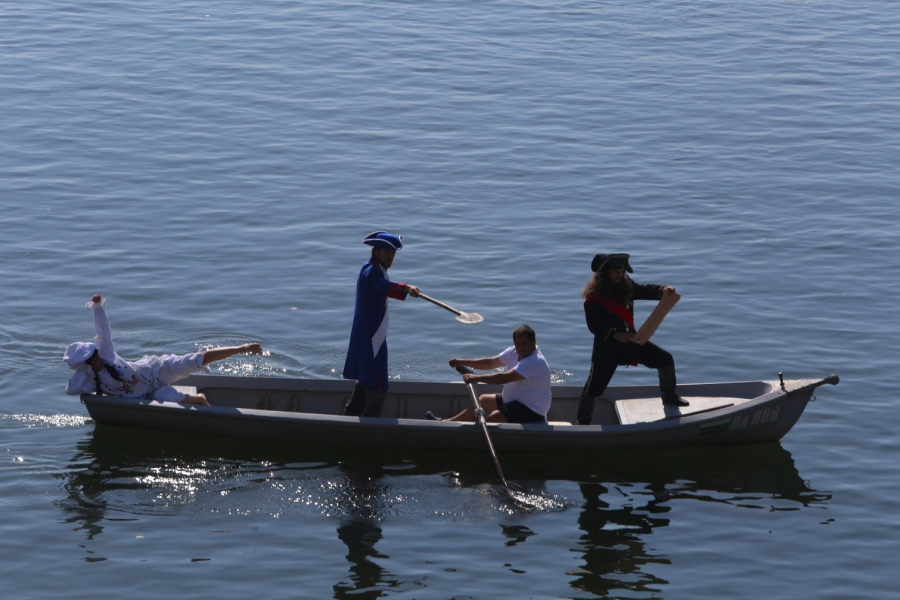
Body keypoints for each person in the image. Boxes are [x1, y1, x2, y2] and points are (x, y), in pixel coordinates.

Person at [64, 295, 263, 406]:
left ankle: (243, 348)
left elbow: (103, 330)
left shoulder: (105, 353)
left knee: (195, 360)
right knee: (176, 398)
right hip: (148, 394)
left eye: (96, 355)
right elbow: (71, 390)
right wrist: (84, 379)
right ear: (86, 366)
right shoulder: (87, 379)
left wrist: (98, 307)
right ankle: (202, 402)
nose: (98, 360)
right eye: (93, 361)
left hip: (151, 370)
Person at [577, 253, 688, 425]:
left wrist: (663, 290)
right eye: (615, 271)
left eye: (621, 271)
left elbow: (645, 290)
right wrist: (616, 335)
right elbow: (594, 327)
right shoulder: (594, 299)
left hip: (630, 343)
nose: (619, 275)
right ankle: (583, 423)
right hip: (606, 348)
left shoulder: (626, 286)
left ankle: (670, 398)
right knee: (594, 388)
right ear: (604, 273)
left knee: (665, 360)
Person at [342, 231, 421, 418]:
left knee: (365, 374)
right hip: (372, 335)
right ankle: (371, 420)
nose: (390, 257)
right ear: (376, 251)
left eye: (393, 253)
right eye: (387, 252)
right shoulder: (373, 272)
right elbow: (381, 286)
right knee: (378, 380)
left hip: (368, 332)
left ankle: (352, 413)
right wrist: (406, 288)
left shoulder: (370, 267)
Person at [426, 325, 552, 424]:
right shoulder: (513, 351)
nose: (521, 347)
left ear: (533, 342)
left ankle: (477, 441)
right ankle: (448, 424)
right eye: (518, 343)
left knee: (495, 417)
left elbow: (503, 378)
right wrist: (461, 361)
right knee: (482, 400)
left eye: (525, 343)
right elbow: (490, 363)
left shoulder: (534, 361)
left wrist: (475, 377)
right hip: (514, 400)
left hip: (532, 409)